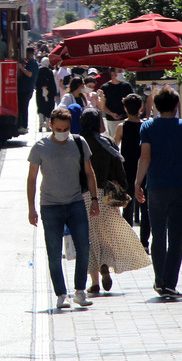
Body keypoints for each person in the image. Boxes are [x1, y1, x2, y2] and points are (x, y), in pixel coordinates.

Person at [27, 107, 99, 309]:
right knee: (53, 251)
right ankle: (60, 293)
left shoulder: (78, 142)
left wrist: (94, 199)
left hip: (75, 202)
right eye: (58, 128)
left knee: (84, 247)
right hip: (50, 206)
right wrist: (31, 209)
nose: (62, 132)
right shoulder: (40, 147)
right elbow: (32, 179)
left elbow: (89, 172)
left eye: (66, 128)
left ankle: (80, 291)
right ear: (51, 125)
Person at [134, 86, 182, 299]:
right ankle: (170, 283)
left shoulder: (148, 127)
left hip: (156, 186)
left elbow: (145, 158)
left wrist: (137, 183)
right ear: (177, 105)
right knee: (177, 237)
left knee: (158, 235)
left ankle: (160, 281)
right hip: (181, 186)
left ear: (156, 107)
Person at [78, 109, 150, 295]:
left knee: (90, 238)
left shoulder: (77, 142)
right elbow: (120, 168)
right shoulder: (108, 142)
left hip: (85, 195)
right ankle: (104, 264)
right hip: (107, 196)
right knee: (106, 236)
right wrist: (124, 191)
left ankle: (94, 281)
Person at [114, 94, 149, 249]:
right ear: (140, 108)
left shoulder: (122, 127)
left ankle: (129, 242)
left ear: (125, 108)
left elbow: (114, 146)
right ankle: (145, 243)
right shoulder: (146, 126)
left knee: (127, 207)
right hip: (144, 169)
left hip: (127, 170)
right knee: (145, 207)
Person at [98, 68, 133, 139]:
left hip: (126, 118)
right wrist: (111, 113)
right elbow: (103, 106)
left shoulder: (126, 86)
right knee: (114, 140)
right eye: (119, 71)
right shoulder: (105, 87)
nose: (122, 73)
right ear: (112, 74)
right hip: (112, 120)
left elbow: (131, 101)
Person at [17, 47, 39, 134]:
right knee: (23, 107)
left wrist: (21, 68)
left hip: (26, 89)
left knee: (24, 107)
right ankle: (23, 125)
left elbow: (29, 74)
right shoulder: (32, 63)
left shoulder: (32, 63)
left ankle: (24, 126)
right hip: (27, 88)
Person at [35, 57, 58, 133]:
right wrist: (54, 93)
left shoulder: (38, 71)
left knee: (40, 108)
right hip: (49, 94)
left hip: (40, 93)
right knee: (49, 108)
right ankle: (48, 125)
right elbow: (52, 83)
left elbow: (36, 82)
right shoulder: (49, 72)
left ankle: (41, 124)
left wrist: (41, 87)